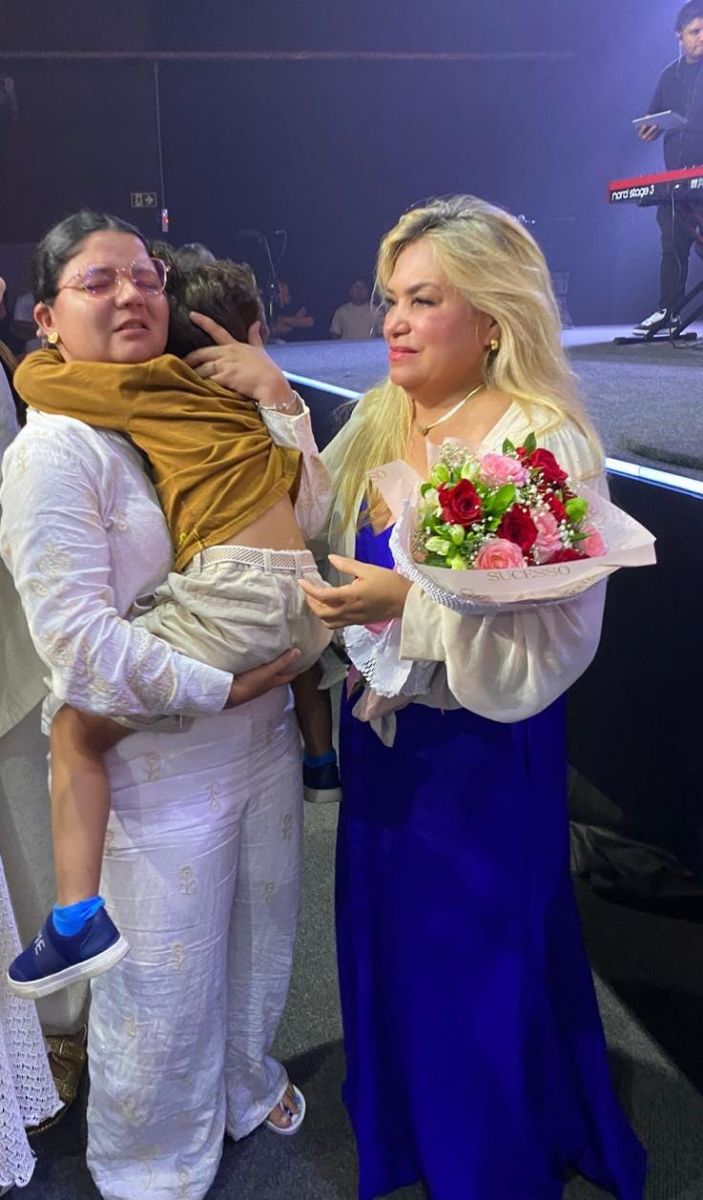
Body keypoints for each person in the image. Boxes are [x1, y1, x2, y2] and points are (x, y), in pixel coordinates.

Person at [299, 196, 647, 1200]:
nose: (394, 322)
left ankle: (489, 1161)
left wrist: (403, 605)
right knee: (395, 938)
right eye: (390, 299)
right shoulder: (377, 416)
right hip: (384, 747)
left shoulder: (543, 439)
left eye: (423, 300)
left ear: (491, 319)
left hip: (487, 752)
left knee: (480, 949)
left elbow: (562, 626)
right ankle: (414, 1131)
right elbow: (309, 523)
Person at [0, 209, 329, 1197]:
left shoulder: (192, 396)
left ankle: (242, 1085)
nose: (132, 294)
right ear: (48, 317)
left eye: (145, 276)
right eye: (98, 281)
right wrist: (217, 684)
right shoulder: (56, 451)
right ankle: (153, 1168)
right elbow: (77, 644)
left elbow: (304, 522)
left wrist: (280, 401)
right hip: (162, 769)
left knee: (260, 945)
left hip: (259, 741)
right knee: (165, 986)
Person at [633, 1, 703, 336]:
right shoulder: (668, 76)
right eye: (695, 32)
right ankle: (668, 311)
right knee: (673, 245)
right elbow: (652, 117)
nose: (701, 38)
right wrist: (649, 128)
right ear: (679, 35)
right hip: (677, 178)